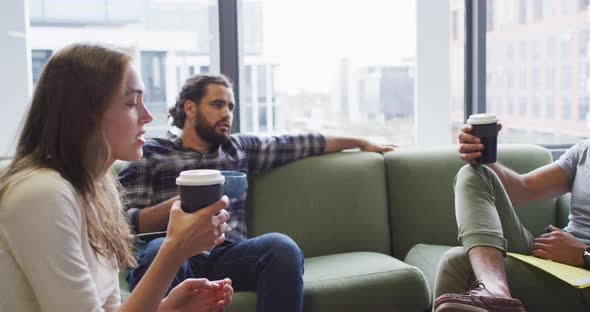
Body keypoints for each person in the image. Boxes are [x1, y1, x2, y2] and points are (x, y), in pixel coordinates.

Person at [118, 73, 395, 312]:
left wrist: (360, 141)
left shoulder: (238, 148)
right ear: (189, 108)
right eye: (217, 104)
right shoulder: (152, 154)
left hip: (228, 252)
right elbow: (125, 224)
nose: (226, 113)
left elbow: (304, 142)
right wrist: (180, 205)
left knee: (281, 247)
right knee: (154, 251)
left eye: (230, 106)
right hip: (172, 252)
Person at [0, 43, 234, 312]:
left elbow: (109, 309)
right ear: (85, 114)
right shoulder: (41, 194)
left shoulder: (100, 189)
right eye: (131, 103)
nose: (147, 116)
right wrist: (174, 250)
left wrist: (167, 308)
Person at [433, 122, 590, 311]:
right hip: (558, 260)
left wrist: (584, 256)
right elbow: (523, 188)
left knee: (456, 263)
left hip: (584, 276)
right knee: (473, 175)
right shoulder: (584, 150)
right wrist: (482, 157)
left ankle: (497, 297)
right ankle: (496, 291)